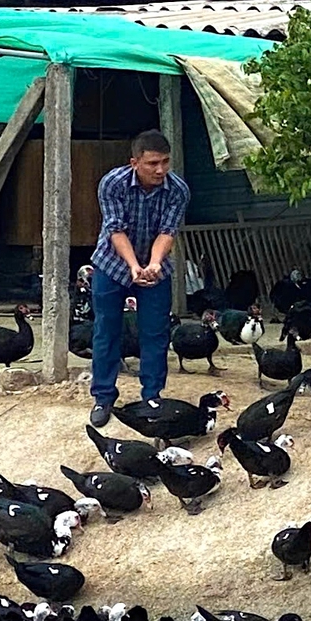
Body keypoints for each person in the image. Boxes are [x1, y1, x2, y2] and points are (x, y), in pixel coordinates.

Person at [88, 129, 189, 427]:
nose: (160, 170)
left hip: (156, 267)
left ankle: (152, 399)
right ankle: (103, 398)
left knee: (155, 333)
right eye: (152, 163)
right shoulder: (112, 184)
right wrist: (134, 266)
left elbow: (167, 232)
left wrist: (155, 264)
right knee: (107, 330)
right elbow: (114, 229)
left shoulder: (178, 190)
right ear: (135, 162)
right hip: (112, 265)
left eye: (165, 162)